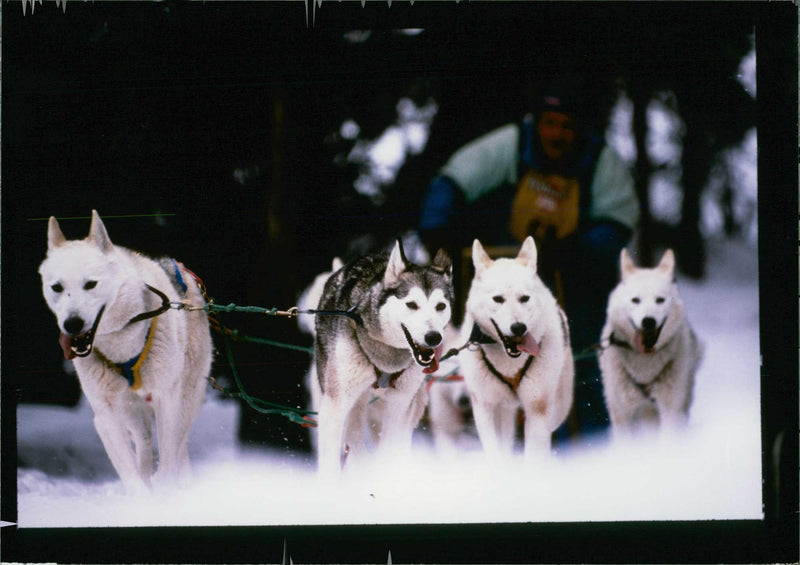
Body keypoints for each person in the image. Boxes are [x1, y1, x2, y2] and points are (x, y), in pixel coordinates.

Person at [418, 84, 639, 441]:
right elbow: (455, 178)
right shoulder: (513, 144)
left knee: (578, 353)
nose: (557, 134)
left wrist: (580, 249)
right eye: (549, 124)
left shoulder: (599, 159)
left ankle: (589, 443)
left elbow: (619, 219)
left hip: (576, 276)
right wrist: (437, 228)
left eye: (566, 126)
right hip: (507, 267)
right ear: (536, 124)